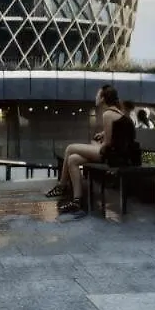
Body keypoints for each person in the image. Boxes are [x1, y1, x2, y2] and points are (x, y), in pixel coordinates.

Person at [50, 84, 137, 216]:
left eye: (97, 94)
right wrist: (102, 135)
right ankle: (77, 201)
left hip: (114, 157)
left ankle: (61, 186)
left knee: (70, 148)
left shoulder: (108, 114)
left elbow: (107, 144)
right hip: (120, 155)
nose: (95, 97)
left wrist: (96, 146)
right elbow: (117, 134)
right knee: (73, 160)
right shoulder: (117, 112)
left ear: (102, 98)